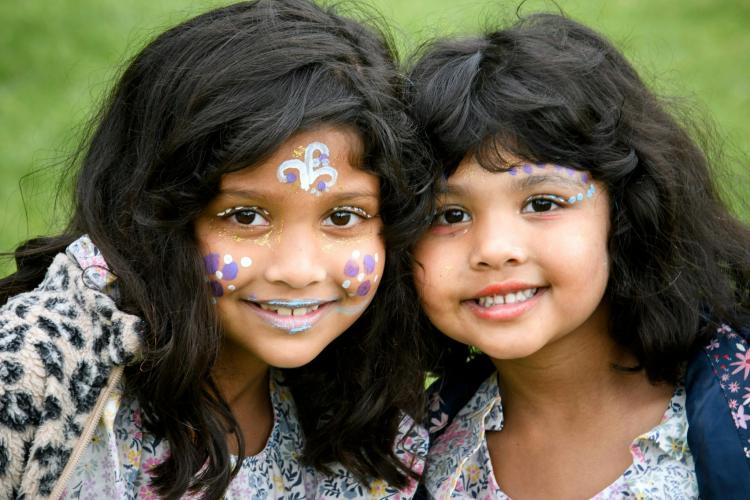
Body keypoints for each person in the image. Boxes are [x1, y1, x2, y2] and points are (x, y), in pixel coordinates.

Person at [0, 0, 432, 497]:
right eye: (245, 216)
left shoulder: (373, 426)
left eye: (343, 217)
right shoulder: (34, 370)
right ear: (155, 213)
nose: (297, 270)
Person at [407, 13, 750, 499]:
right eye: (449, 215)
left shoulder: (737, 411)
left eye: (542, 203)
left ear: (626, 212)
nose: (494, 250)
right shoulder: (407, 459)